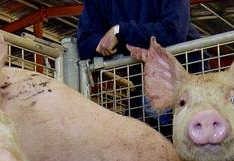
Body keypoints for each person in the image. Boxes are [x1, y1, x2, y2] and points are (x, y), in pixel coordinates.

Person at [77, 0, 205, 135]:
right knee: (137, 141)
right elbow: (85, 43)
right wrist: (127, 41)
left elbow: (173, 31)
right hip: (143, 82)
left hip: (188, 74)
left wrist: (120, 32)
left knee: (194, 136)